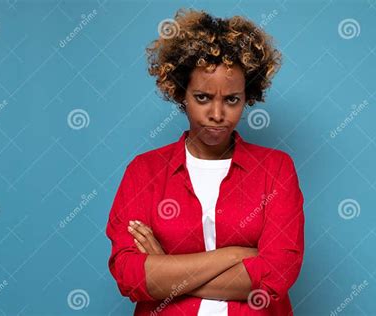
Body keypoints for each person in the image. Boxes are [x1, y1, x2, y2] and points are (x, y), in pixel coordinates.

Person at [105, 8, 305, 316]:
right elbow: (130, 276)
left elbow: (277, 273)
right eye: (202, 97)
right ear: (180, 92)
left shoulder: (276, 169)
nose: (216, 114)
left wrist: (166, 271)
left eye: (231, 100)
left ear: (247, 96)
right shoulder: (144, 171)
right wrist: (236, 255)